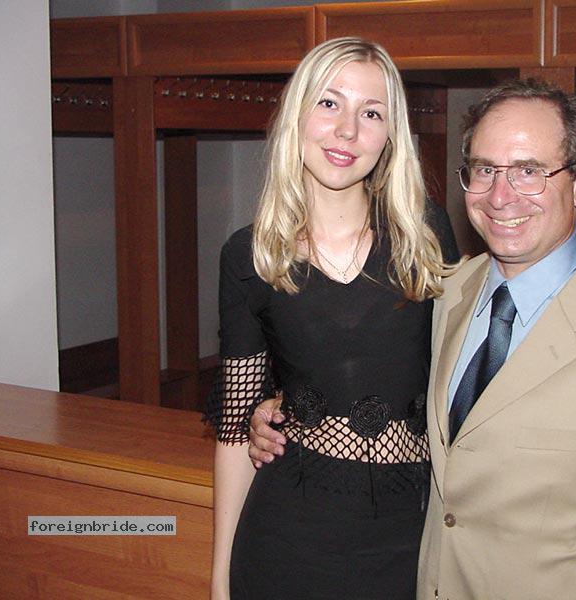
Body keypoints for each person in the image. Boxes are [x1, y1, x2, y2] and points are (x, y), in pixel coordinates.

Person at [250, 78, 576, 600]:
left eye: (529, 171)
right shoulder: (440, 292)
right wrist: (279, 408)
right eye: (484, 170)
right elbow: (368, 374)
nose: (501, 196)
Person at [205, 37, 458, 600]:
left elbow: (461, 382)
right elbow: (236, 430)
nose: (347, 131)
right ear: (297, 115)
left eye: (371, 113)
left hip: (409, 540)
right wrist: (220, 581)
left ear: (390, 136)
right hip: (286, 539)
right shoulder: (250, 255)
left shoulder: (426, 237)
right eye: (329, 103)